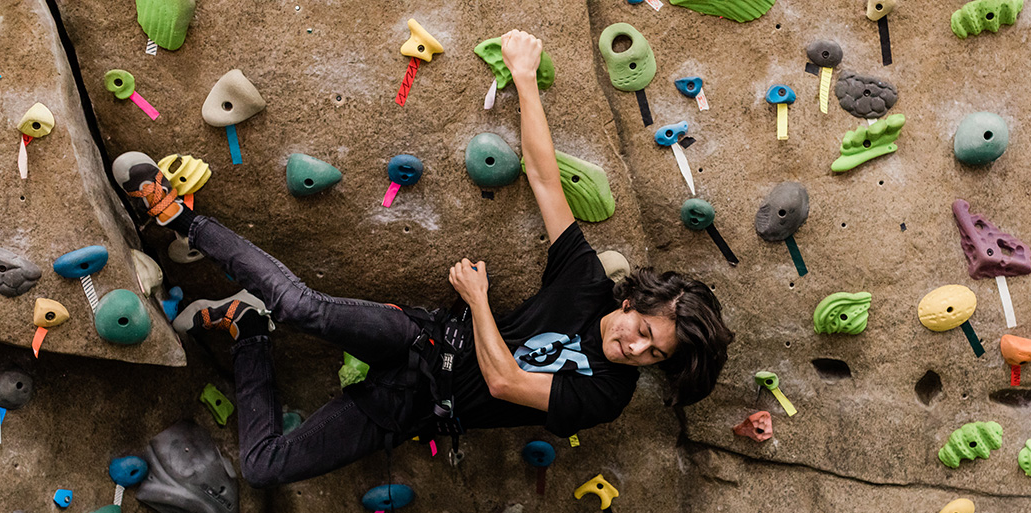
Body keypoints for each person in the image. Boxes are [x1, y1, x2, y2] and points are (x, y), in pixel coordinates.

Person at [112, 30, 733, 488]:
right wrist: (522, 74)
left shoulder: (608, 395)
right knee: (301, 305)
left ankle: (247, 333)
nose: (635, 349)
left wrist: (481, 303)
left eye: (654, 355)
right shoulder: (587, 284)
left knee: (262, 468)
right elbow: (545, 179)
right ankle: (179, 217)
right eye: (644, 331)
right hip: (423, 340)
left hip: (413, 408)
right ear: (638, 302)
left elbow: (506, 382)